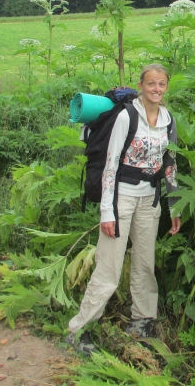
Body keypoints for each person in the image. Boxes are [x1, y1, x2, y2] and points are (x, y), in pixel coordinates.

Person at [65, 64, 182, 355]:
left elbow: (170, 164)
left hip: (149, 199)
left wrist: (174, 204)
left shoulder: (168, 120)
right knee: (109, 268)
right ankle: (79, 330)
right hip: (122, 199)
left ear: (167, 87)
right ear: (141, 85)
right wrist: (108, 212)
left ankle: (142, 321)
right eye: (151, 84)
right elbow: (111, 164)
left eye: (162, 84)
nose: (156, 89)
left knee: (145, 263)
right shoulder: (127, 116)